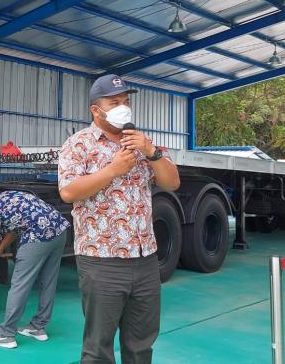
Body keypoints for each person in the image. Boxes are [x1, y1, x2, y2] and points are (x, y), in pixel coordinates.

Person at [58, 74, 180, 364]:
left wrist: (152, 152)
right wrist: (112, 170)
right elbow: (69, 192)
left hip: (145, 258)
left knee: (141, 344)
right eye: (114, 102)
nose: (123, 107)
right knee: (98, 348)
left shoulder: (141, 143)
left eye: (126, 101)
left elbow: (172, 182)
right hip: (102, 260)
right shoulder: (78, 144)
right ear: (96, 110)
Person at [0, 188, 70, 349]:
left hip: (37, 236)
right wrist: (0, 249)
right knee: (48, 281)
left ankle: (6, 334)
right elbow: (13, 231)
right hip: (59, 231)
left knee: (19, 285)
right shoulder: (3, 198)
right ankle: (38, 327)